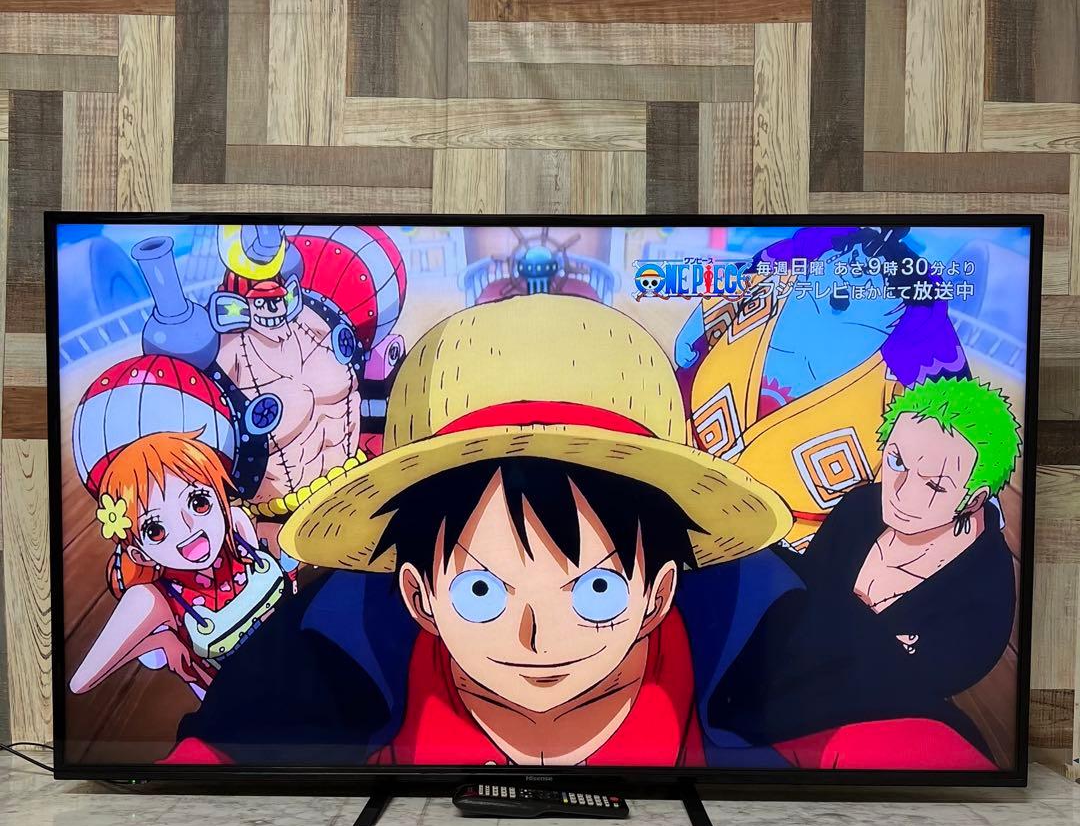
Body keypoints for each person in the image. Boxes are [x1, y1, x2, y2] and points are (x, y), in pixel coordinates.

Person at [172, 294, 800, 766]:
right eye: (482, 592)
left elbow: (857, 742)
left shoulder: (749, 617)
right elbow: (200, 778)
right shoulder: (345, 633)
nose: (537, 636)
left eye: (596, 591)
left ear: (658, 595)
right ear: (419, 596)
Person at [706, 376, 1022, 770]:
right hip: (775, 683)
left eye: (934, 486)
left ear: (973, 499)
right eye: (897, 461)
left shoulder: (984, 587)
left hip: (860, 726)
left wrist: (844, 623)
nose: (901, 492)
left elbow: (921, 687)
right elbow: (803, 595)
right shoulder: (861, 507)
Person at [70, 430, 286, 699]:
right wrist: (160, 642)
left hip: (296, 661)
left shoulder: (237, 527)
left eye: (199, 502)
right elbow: (81, 682)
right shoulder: (152, 598)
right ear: (140, 554)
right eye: (155, 530)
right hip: (244, 703)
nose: (188, 527)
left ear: (220, 498)